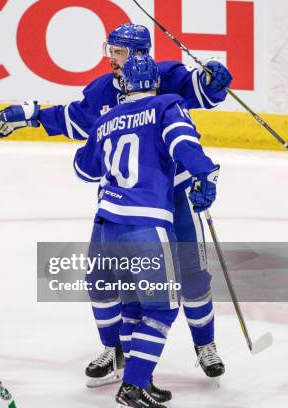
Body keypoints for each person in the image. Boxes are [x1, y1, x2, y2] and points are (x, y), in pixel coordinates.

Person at [0, 23, 230, 385]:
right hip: (127, 202)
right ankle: (116, 350)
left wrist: (215, 78)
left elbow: (205, 91)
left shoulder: (164, 77)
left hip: (174, 196)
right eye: (111, 50)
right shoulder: (103, 90)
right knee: (114, 278)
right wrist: (34, 115)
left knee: (192, 275)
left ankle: (205, 345)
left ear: (137, 54)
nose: (111, 58)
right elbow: (74, 117)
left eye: (117, 52)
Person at [73, 54, 220, 408]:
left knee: (132, 305)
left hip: (106, 226)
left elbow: (83, 168)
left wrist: (102, 137)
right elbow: (183, 144)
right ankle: (133, 385)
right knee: (164, 306)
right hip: (146, 225)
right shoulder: (167, 104)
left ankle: (141, 379)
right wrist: (204, 174)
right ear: (155, 82)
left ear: (125, 85)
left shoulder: (107, 118)